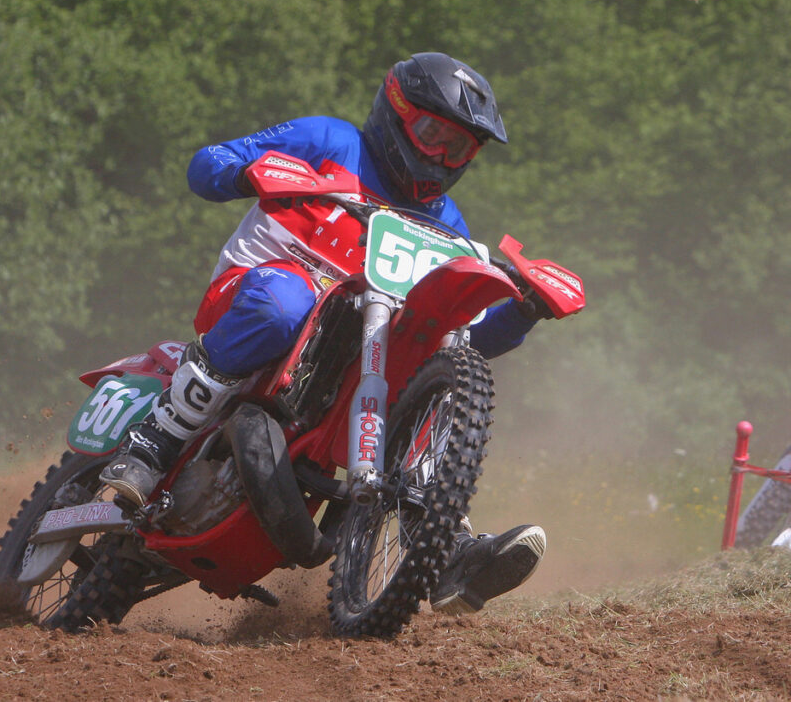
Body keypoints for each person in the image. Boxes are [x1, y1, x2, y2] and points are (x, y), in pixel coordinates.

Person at [102, 52, 550, 614]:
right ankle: (153, 443)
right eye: (432, 134)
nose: (439, 156)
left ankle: (443, 544)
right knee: (285, 303)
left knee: (429, 369)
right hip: (258, 296)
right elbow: (208, 163)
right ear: (396, 112)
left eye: (457, 147)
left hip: (352, 354)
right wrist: (247, 173)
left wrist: (524, 309)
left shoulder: (446, 220)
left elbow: (463, 337)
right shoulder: (329, 140)